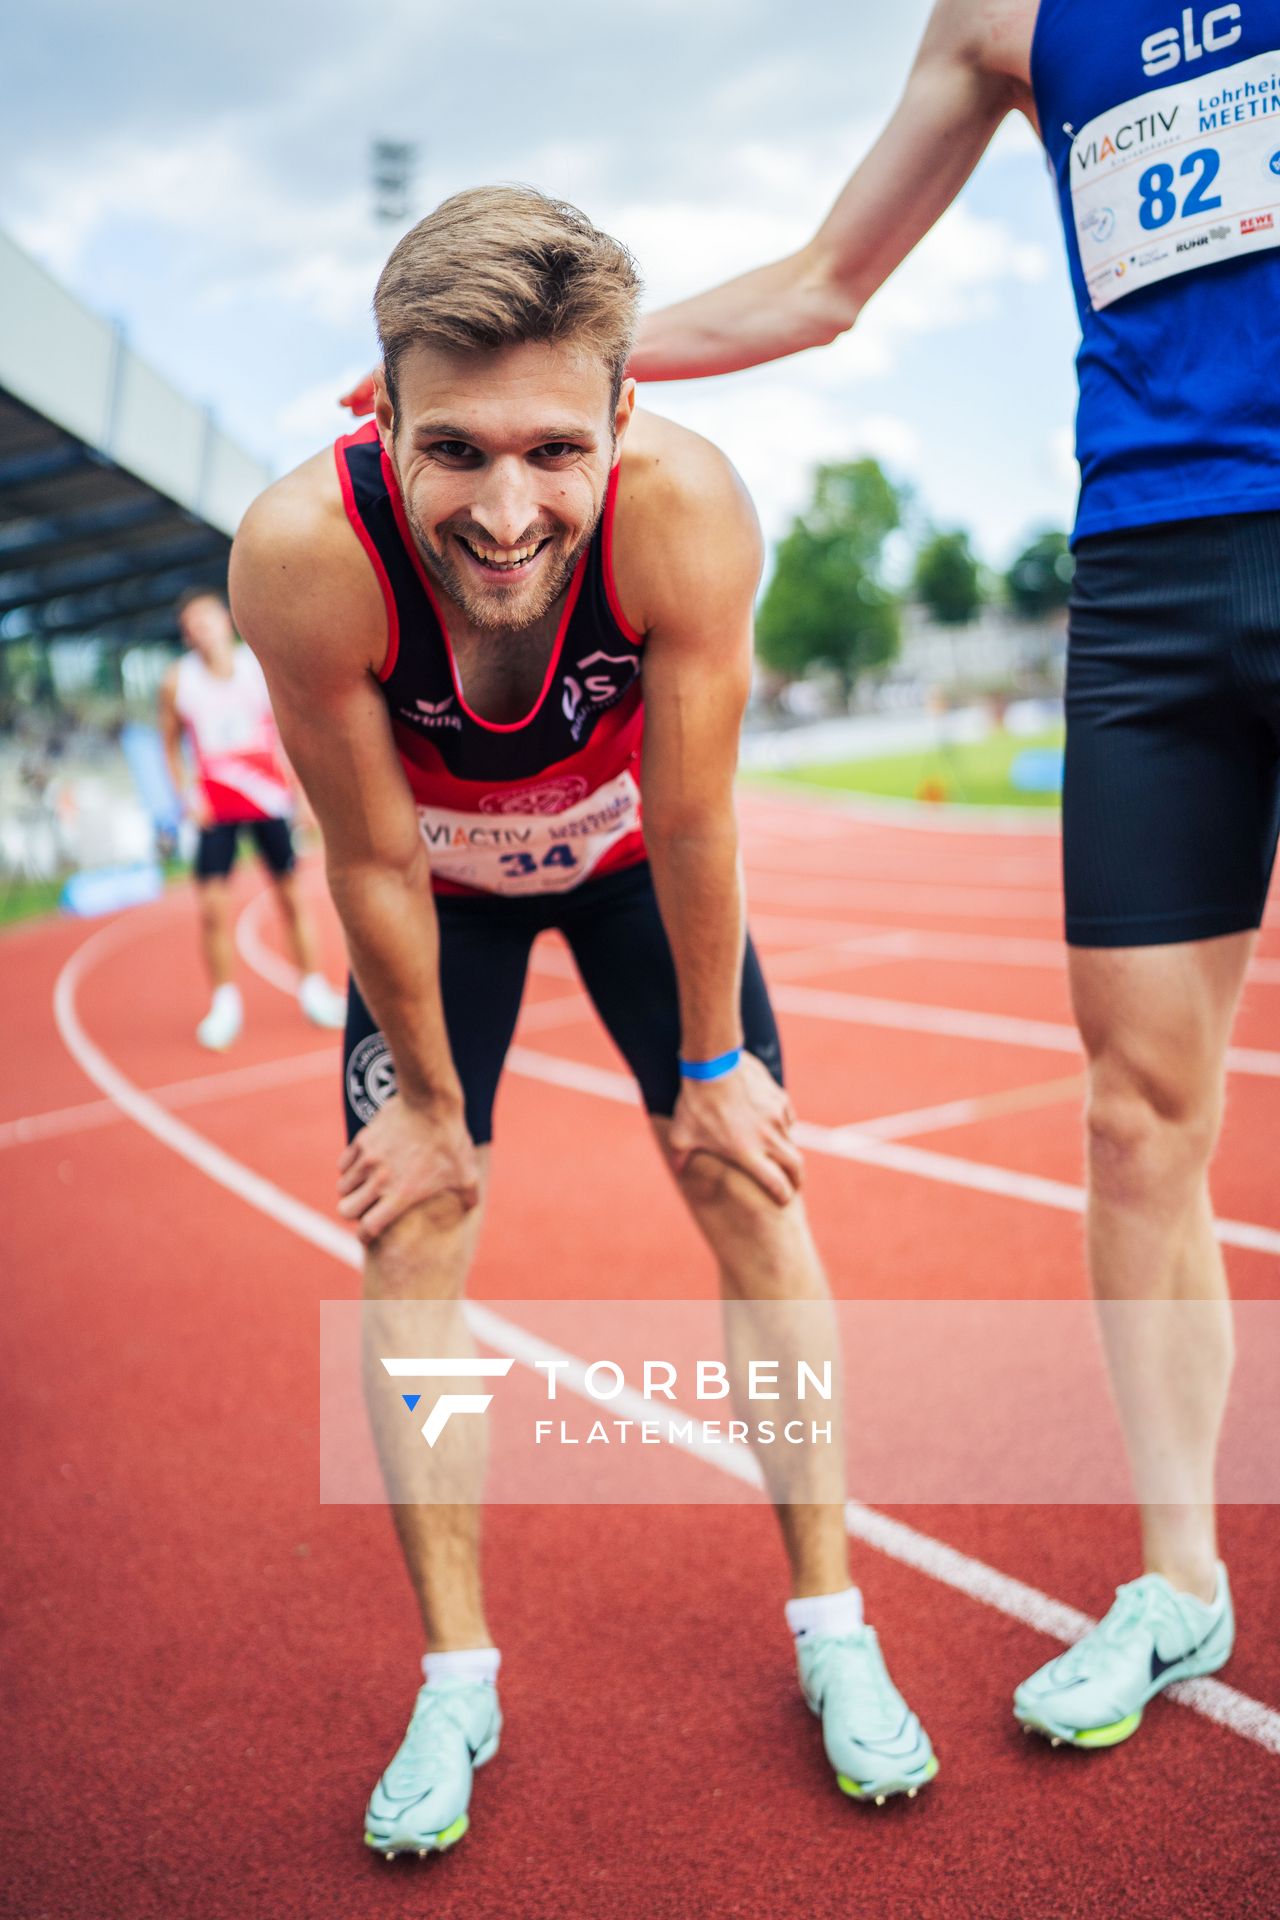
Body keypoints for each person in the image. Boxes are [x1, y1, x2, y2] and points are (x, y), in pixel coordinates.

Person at [231, 185, 938, 1862]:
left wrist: (711, 1066)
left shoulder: (684, 510)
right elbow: (372, 856)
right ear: (376, 413)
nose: (501, 508)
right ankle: (457, 1675)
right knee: (414, 1231)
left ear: (629, 418)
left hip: (633, 866)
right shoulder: (300, 552)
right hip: (440, 898)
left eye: (555, 450)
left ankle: (835, 1627)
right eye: (455, 449)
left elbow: (697, 826)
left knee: (753, 1188)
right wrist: (418, 1098)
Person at [623, 0, 1280, 1751]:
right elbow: (828, 278)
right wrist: (568, 357)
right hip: (1150, 574)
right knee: (1141, 1117)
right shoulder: (1005, 12)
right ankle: (1179, 1586)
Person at [159, 588, 347, 1049]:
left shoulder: (256, 668)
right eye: (193, 625)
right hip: (215, 806)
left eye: (208, 619)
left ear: (226, 621)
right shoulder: (177, 681)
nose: (203, 629)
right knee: (212, 909)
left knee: (291, 897)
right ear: (187, 636)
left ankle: (313, 990)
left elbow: (288, 731)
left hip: (267, 798)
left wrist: (300, 794)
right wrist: (187, 796)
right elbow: (168, 744)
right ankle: (224, 1004)